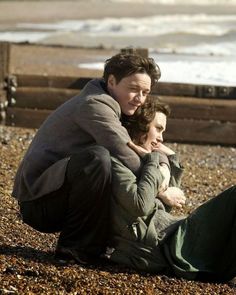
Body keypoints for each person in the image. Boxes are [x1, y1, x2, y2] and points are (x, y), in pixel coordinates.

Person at [12, 53, 161, 264]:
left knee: (106, 163)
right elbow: (129, 158)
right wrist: (160, 177)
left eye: (145, 92)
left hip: (54, 193)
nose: (140, 98)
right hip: (38, 203)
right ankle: (74, 249)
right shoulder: (95, 105)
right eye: (134, 89)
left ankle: (101, 245)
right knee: (97, 159)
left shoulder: (109, 102)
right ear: (111, 81)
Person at [107, 97, 236, 285]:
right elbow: (141, 205)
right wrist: (153, 160)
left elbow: (170, 203)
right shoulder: (118, 163)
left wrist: (170, 160)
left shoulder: (141, 162)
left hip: (174, 234)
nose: (161, 137)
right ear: (141, 126)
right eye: (158, 128)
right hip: (167, 245)